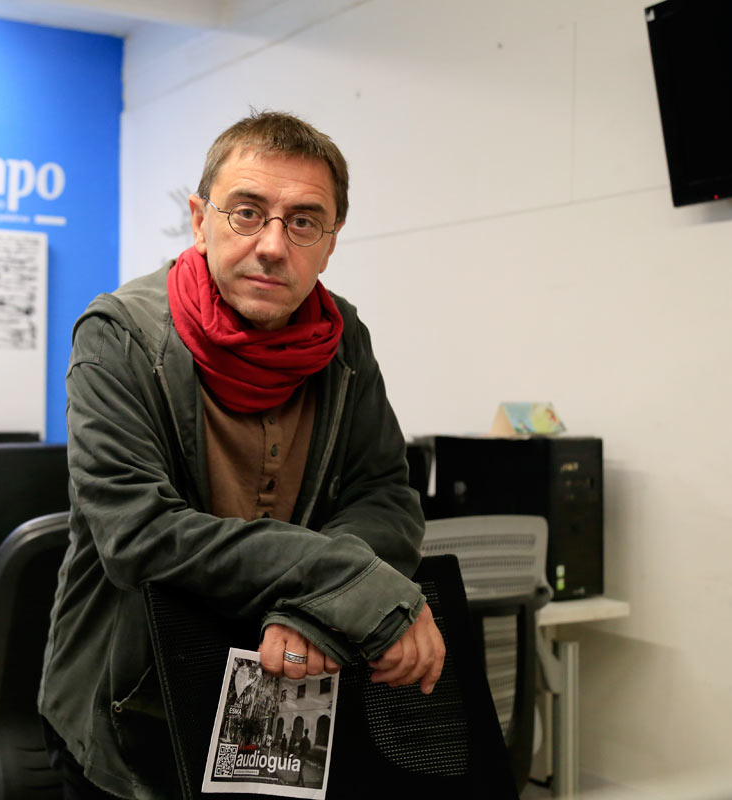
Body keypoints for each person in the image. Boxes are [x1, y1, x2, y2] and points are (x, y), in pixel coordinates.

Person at [38, 110, 445, 799]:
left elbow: (383, 495)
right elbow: (136, 534)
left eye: (304, 221)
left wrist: (316, 608)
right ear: (200, 220)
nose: (273, 246)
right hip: (133, 706)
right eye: (247, 213)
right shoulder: (118, 335)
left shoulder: (343, 339)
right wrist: (347, 580)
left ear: (331, 243)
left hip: (288, 685)